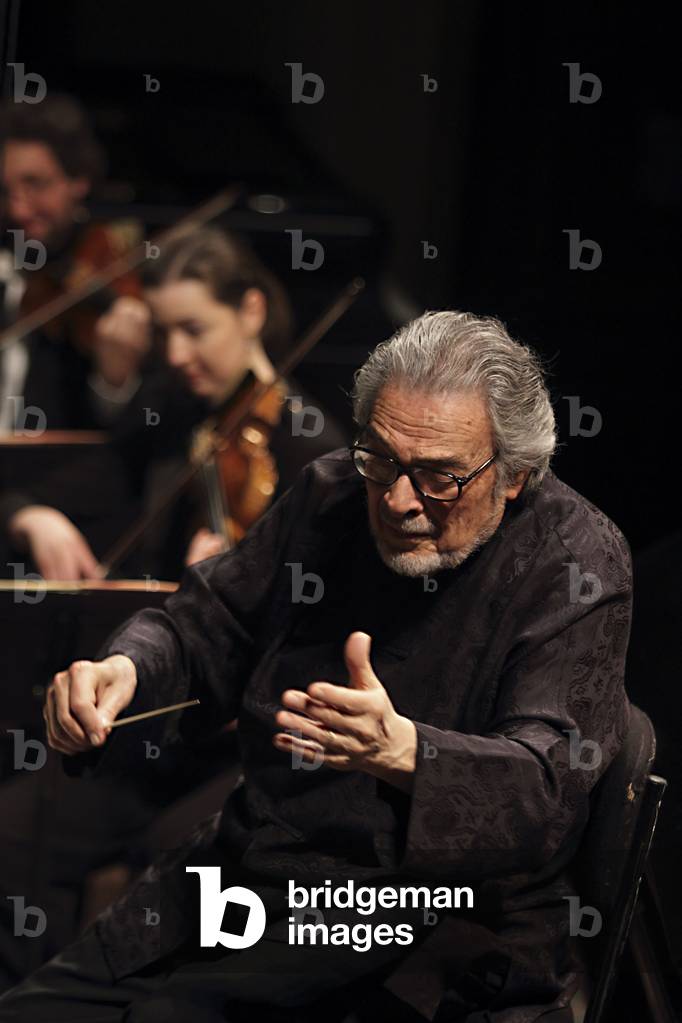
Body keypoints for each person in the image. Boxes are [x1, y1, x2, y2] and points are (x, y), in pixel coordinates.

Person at [0, 311, 632, 1022]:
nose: (398, 500)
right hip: (257, 870)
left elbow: (548, 789)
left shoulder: (576, 562)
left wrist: (408, 755)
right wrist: (127, 668)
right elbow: (205, 623)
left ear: (513, 474)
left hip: (425, 917)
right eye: (382, 459)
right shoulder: (330, 492)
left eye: (438, 478)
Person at [0, 94, 151, 579]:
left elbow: (126, 447)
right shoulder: (11, 279)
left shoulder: (106, 278)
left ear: (78, 182)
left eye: (36, 185)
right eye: (5, 191)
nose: (18, 208)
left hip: (69, 529)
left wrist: (114, 378)